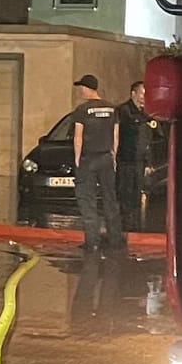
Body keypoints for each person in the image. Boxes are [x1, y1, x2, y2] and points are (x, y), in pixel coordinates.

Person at [69, 75, 124, 254]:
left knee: (87, 200)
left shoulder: (82, 110)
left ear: (88, 88)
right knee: (110, 198)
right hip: (106, 159)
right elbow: (115, 136)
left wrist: (77, 159)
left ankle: (92, 242)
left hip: (88, 159)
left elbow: (78, 137)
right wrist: (113, 157)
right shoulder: (112, 108)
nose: (80, 91)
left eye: (81, 88)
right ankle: (115, 239)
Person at [116, 81, 148, 213]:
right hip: (126, 160)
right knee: (125, 193)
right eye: (141, 93)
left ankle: (135, 223)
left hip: (139, 161)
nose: (144, 97)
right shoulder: (123, 111)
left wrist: (147, 161)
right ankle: (125, 223)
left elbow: (147, 138)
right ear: (133, 93)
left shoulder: (145, 113)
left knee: (136, 193)